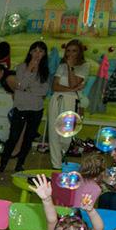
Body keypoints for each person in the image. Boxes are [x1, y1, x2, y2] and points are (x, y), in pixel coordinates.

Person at [0, 41, 51, 173]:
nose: (38, 54)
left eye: (41, 51)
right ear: (30, 52)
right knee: (13, 137)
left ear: (44, 54)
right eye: (35, 50)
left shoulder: (45, 70)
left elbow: (44, 91)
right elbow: (21, 85)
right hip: (21, 108)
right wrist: (29, 69)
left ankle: (20, 164)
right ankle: (3, 163)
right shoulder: (21, 67)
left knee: (28, 139)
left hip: (36, 109)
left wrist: (28, 88)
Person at [48, 40, 89, 169]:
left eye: (74, 50)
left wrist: (71, 67)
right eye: (68, 50)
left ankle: (63, 154)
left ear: (79, 52)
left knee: (66, 135)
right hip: (57, 99)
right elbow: (55, 86)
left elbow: (73, 83)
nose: (70, 53)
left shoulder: (84, 66)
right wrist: (71, 89)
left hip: (71, 101)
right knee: (53, 132)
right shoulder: (61, 65)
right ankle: (56, 165)